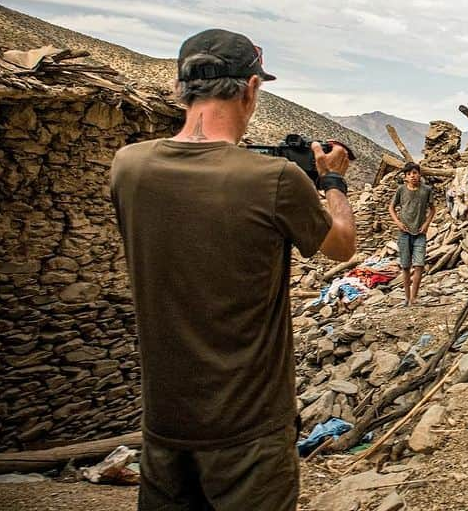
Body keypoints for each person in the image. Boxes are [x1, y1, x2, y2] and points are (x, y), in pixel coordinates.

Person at [109, 29, 355, 511]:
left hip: (165, 424)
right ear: (250, 88)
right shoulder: (276, 180)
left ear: (181, 89)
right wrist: (332, 180)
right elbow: (341, 245)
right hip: (250, 429)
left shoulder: (128, 168)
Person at [388, 161, 436, 306]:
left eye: (415, 173)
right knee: (405, 266)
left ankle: (414, 297)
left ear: (419, 174)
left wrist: (426, 224)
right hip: (404, 233)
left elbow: (433, 209)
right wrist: (398, 222)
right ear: (405, 177)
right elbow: (391, 207)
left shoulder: (426, 190)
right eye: (409, 174)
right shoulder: (401, 190)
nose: (412, 176)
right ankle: (407, 298)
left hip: (420, 233)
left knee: (419, 264)